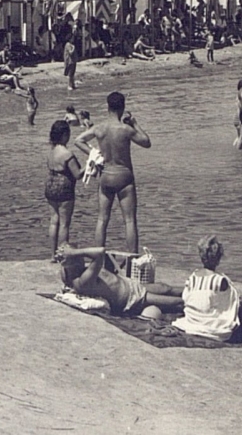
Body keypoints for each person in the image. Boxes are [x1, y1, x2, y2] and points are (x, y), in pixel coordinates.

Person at [74, 92, 151, 253]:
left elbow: (78, 140)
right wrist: (135, 123)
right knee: (129, 221)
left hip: (106, 175)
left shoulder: (99, 128)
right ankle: (132, 261)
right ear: (122, 107)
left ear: (107, 106)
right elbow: (146, 142)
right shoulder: (126, 129)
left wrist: (93, 153)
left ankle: (98, 259)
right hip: (124, 176)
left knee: (102, 219)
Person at [172, 235, 242, 341]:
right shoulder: (220, 280)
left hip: (192, 323)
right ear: (218, 258)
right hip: (214, 329)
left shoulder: (193, 277)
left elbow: (186, 298)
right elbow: (236, 303)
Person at [55, 244, 183, 316]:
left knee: (165, 288)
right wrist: (73, 252)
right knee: (177, 303)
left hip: (131, 285)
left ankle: (198, 290)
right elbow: (100, 252)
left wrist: (69, 251)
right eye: (78, 257)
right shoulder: (82, 281)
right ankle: (199, 303)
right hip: (131, 299)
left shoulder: (77, 269)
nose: (83, 258)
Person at [44, 120, 82, 253]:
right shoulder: (67, 154)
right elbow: (77, 174)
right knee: (65, 224)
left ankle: (53, 255)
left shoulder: (51, 151)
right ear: (65, 135)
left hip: (50, 185)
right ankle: (62, 254)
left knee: (54, 221)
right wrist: (91, 164)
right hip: (64, 188)